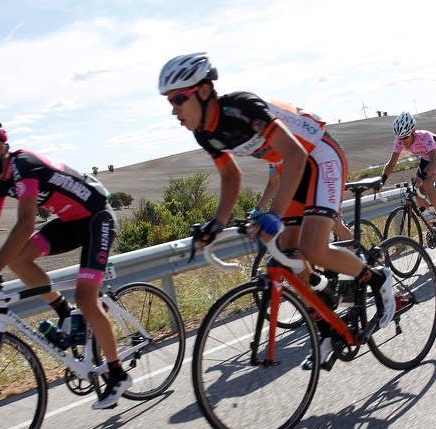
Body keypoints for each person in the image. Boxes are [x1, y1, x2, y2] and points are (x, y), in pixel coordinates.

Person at [158, 52, 394, 371]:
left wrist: (276, 214)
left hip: (319, 156)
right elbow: (231, 176)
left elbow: (296, 156)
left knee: (313, 248)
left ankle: (377, 278)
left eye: (178, 99)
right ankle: (327, 324)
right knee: (287, 256)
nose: (174, 111)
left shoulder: (242, 108)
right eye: (170, 102)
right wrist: (216, 223)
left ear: (202, 91)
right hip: (294, 167)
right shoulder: (205, 133)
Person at [0, 119, 130, 409]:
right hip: (70, 222)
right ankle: (63, 311)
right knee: (20, 260)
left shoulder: (24, 165)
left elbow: (24, 224)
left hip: (98, 217)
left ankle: (118, 374)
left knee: (86, 298)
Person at [379, 112, 436, 231]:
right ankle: (432, 218)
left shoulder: (425, 136)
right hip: (425, 159)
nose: (403, 141)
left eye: (405, 137)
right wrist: (382, 180)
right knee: (416, 190)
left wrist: (423, 176)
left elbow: (433, 162)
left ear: (413, 131)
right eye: (400, 138)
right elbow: (392, 163)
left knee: (427, 183)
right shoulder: (399, 141)